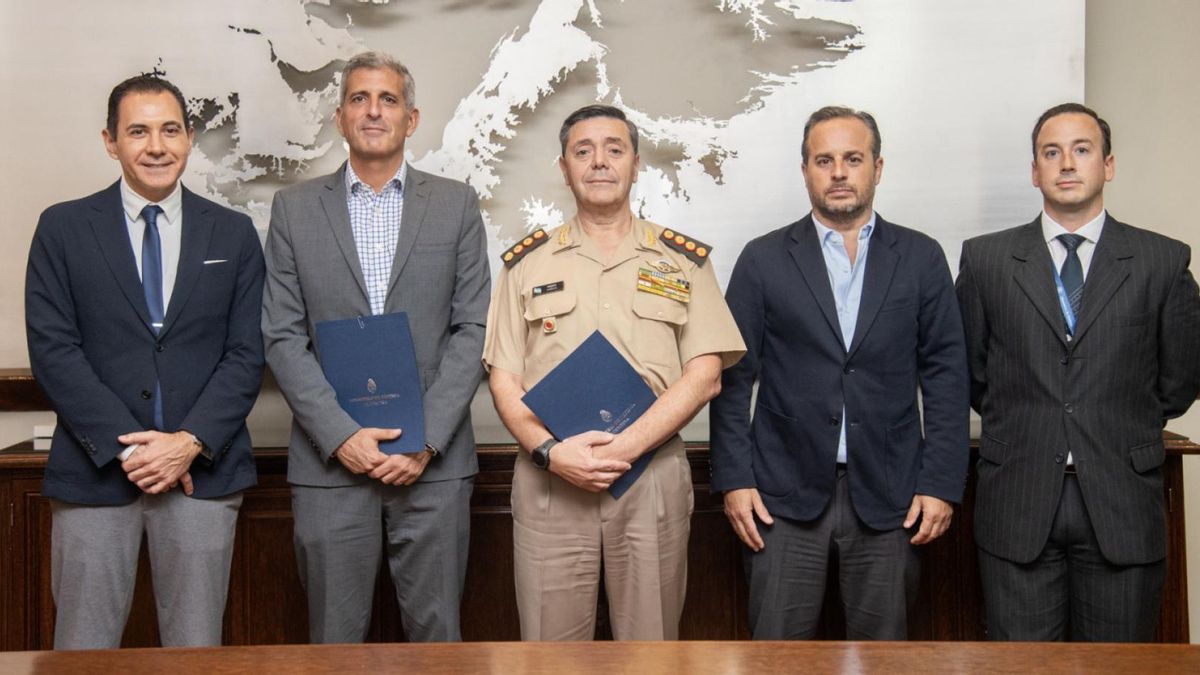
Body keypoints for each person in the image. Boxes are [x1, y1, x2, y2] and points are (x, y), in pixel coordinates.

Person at [483, 104, 745, 640]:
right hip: (549, 480)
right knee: (549, 654)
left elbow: (705, 375)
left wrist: (623, 450)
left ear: (635, 163)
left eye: (613, 149)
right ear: (563, 167)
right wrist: (554, 454)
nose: (599, 162)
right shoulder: (525, 265)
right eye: (583, 151)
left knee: (649, 651)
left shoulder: (681, 261)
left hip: (650, 477)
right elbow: (503, 379)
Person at [709, 105, 970, 640]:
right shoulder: (763, 260)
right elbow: (732, 380)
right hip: (780, 499)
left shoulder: (921, 258)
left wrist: (941, 484)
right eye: (823, 160)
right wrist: (735, 480)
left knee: (884, 660)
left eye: (853, 158)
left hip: (892, 496)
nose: (839, 172)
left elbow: (946, 376)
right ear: (805, 170)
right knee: (777, 659)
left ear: (878, 166)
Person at [24, 74, 265, 649]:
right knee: (82, 651)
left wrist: (187, 442)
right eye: (138, 131)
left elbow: (246, 354)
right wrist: (132, 449)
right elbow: (54, 352)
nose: (156, 146)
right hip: (97, 474)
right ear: (111, 142)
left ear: (189, 138)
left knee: (196, 652)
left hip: (200, 476)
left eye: (169, 130)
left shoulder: (233, 233)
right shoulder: (63, 228)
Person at [262, 51, 489, 643]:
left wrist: (425, 439)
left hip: (433, 468)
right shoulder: (292, 210)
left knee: (438, 641)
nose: (373, 111)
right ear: (339, 118)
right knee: (332, 643)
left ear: (411, 119)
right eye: (359, 99)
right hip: (329, 468)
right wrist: (341, 437)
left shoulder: (457, 205)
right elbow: (282, 336)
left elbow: (473, 331)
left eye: (387, 99)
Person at [956, 103, 1200, 641]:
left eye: (1081, 150)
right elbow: (972, 375)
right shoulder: (986, 261)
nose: (1067, 163)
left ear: (1107, 165)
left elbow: (1179, 380)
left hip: (1121, 500)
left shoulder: (1162, 260)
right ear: (1035, 171)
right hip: (1018, 502)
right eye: (1052, 152)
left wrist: (1112, 416)